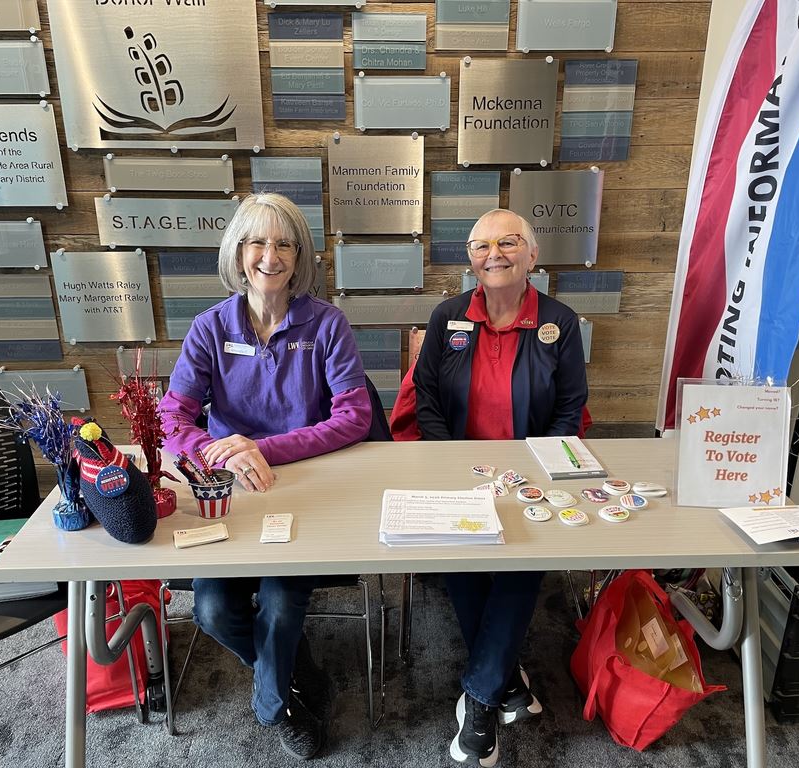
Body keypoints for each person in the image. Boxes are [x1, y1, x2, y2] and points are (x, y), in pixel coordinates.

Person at [159, 193, 372, 760]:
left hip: (303, 492)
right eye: (256, 242)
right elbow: (172, 418)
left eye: (284, 244)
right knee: (211, 610)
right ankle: (296, 670)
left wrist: (263, 449)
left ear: (300, 257)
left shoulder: (327, 325)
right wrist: (219, 452)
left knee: (279, 604)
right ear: (238, 252)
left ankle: (277, 707)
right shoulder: (210, 327)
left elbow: (355, 417)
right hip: (228, 495)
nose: (269, 256)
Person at [402, 208, 588, 767]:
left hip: (528, 475)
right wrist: (452, 463)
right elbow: (426, 398)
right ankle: (504, 681)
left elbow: (569, 408)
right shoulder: (448, 317)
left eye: (508, 242)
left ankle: (480, 697)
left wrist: (534, 471)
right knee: (462, 560)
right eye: (481, 245)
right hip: (456, 470)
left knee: (522, 566)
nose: (495, 254)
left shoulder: (560, 322)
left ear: (532, 255)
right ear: (470, 258)